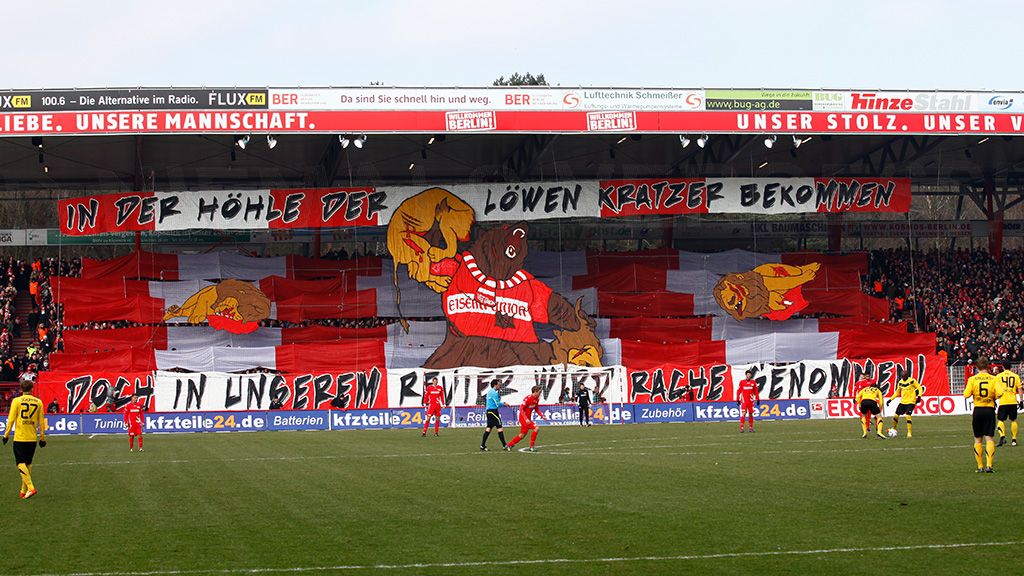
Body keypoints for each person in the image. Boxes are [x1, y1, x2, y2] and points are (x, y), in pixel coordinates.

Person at [2, 380, 46, 499]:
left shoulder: (16, 401)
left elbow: (10, 420)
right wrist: (42, 438)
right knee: (28, 463)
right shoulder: (38, 402)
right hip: (32, 438)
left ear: (21, 389)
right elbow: (41, 422)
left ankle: (31, 488)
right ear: (32, 389)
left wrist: (6, 435)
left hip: (20, 437)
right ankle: (23, 491)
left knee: (20, 463)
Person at [964, 356, 1003, 472]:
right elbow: (1000, 393)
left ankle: (980, 467)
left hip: (978, 410)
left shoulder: (972, 379)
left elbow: (966, 394)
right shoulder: (994, 379)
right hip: (989, 409)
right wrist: (993, 397)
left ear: (977, 366)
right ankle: (989, 466)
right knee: (989, 438)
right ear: (987, 366)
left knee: (978, 439)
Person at [505, 386, 548, 452]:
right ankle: (531, 447)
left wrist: (542, 416)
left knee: (522, 435)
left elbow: (536, 409)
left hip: (527, 419)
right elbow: (521, 408)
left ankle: (509, 445)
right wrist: (526, 419)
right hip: (523, 418)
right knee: (536, 428)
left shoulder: (536, 399)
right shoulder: (528, 398)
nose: (540, 394)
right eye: (539, 392)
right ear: (535, 392)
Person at [995, 364, 1022, 447]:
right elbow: (1020, 389)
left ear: (1003, 367)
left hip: (1003, 401)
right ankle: (1014, 440)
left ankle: (1002, 436)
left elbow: (995, 389)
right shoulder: (1015, 376)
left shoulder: (998, 376)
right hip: (1013, 401)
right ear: (1011, 368)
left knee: (1000, 420)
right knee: (1013, 420)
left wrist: (994, 399)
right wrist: (1021, 400)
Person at [480, 380, 507, 452]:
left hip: (489, 412)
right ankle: (505, 445)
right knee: (499, 427)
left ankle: (482, 445)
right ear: (495, 385)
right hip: (493, 412)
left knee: (489, 428)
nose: (499, 386)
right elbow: (497, 404)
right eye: (498, 384)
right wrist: (504, 404)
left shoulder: (489, 392)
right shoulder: (494, 393)